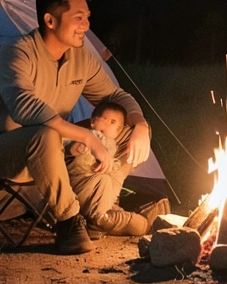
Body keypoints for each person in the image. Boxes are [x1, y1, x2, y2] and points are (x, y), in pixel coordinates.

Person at [0, 0, 155, 254]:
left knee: (127, 129)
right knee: (44, 134)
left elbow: (115, 96)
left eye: (87, 17)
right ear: (50, 21)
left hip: (55, 151)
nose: (86, 25)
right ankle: (69, 221)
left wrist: (141, 125)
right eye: (78, 18)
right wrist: (88, 137)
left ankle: (100, 209)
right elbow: (24, 107)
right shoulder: (17, 53)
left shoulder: (80, 59)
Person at [62, 100, 158, 236]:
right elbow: (65, 143)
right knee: (104, 188)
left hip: (100, 188)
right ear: (93, 121)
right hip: (80, 182)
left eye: (117, 126)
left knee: (107, 182)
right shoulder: (85, 134)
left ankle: (107, 214)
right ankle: (99, 220)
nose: (113, 126)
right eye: (109, 120)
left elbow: (114, 169)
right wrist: (76, 147)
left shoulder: (112, 144)